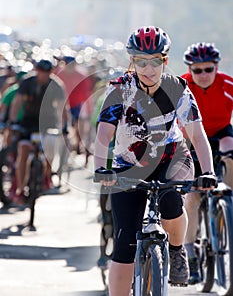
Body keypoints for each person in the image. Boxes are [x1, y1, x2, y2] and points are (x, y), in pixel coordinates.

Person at [93, 26, 217, 296]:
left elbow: (197, 134)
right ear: (132, 61)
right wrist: (101, 168)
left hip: (172, 158)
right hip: (129, 164)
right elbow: (104, 134)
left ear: (165, 61)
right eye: (140, 61)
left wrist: (207, 171)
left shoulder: (178, 89)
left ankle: (176, 251)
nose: (148, 68)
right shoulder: (119, 90)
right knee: (125, 240)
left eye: (154, 61)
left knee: (172, 201)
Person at [181, 42, 233, 284]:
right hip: (190, 139)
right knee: (192, 198)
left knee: (230, 154)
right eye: (197, 70)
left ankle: (228, 206)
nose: (203, 75)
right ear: (189, 70)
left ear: (217, 67)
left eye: (208, 69)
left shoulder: (228, 85)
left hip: (221, 133)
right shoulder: (180, 87)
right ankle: (190, 253)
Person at [9, 59, 68, 204]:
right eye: (41, 72)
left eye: (47, 72)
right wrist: (13, 121)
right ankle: (21, 188)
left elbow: (62, 108)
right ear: (37, 70)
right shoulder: (27, 82)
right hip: (29, 121)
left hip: (48, 122)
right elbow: (17, 102)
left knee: (50, 147)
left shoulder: (56, 85)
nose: (44, 75)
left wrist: (65, 126)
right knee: (23, 151)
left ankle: (46, 176)